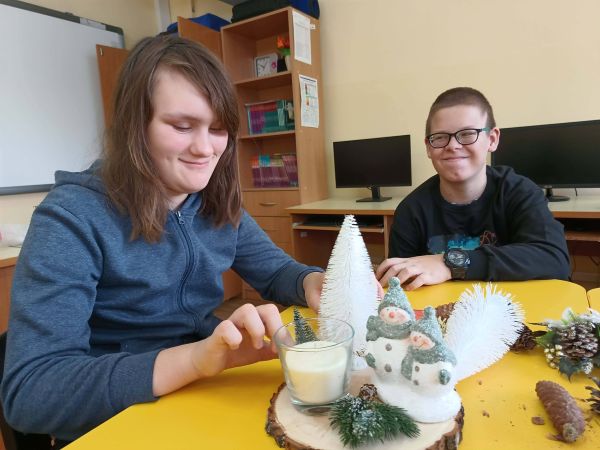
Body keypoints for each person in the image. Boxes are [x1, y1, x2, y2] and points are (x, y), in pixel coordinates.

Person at [1, 35, 325, 444]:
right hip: (119, 419)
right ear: (135, 125)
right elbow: (32, 392)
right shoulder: (71, 218)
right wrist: (195, 359)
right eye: (182, 126)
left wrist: (313, 281)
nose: (205, 148)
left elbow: (277, 272)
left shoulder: (215, 201)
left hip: (202, 392)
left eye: (218, 129)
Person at [377, 87, 570, 290]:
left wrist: (450, 263)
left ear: (492, 139)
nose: (453, 145)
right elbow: (401, 286)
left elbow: (555, 260)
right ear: (428, 147)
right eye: (440, 137)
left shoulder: (519, 192)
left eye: (468, 134)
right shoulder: (411, 210)